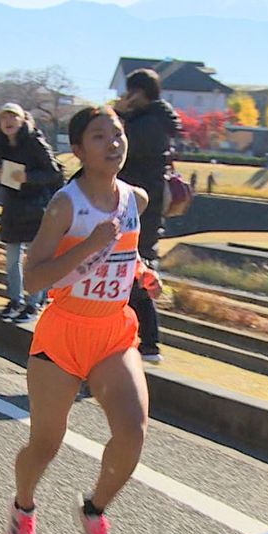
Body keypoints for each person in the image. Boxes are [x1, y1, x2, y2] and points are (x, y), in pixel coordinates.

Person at [8, 106, 161, 534]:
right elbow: (34, 277)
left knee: (133, 433)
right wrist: (90, 245)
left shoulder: (137, 199)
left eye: (117, 134)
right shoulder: (64, 206)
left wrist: (142, 271)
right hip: (64, 334)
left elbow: (125, 250)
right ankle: (23, 507)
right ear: (78, 149)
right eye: (99, 137)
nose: (113, 143)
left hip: (113, 333)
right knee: (45, 446)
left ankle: (93, 509)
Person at [114, 68, 181, 364]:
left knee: (136, 272)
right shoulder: (153, 120)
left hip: (142, 209)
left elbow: (121, 149)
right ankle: (142, 341)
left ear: (140, 93)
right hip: (143, 207)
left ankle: (150, 343)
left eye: (129, 92)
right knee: (132, 272)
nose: (125, 97)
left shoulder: (148, 123)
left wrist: (119, 115)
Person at [0, 102, 61, 323]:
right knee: (12, 259)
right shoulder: (0, 144)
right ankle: (14, 300)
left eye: (13, 117)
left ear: (22, 120)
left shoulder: (35, 142)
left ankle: (33, 303)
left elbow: (54, 174)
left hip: (36, 208)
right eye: (4, 118)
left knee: (35, 259)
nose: (8, 122)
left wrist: (28, 178)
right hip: (12, 208)